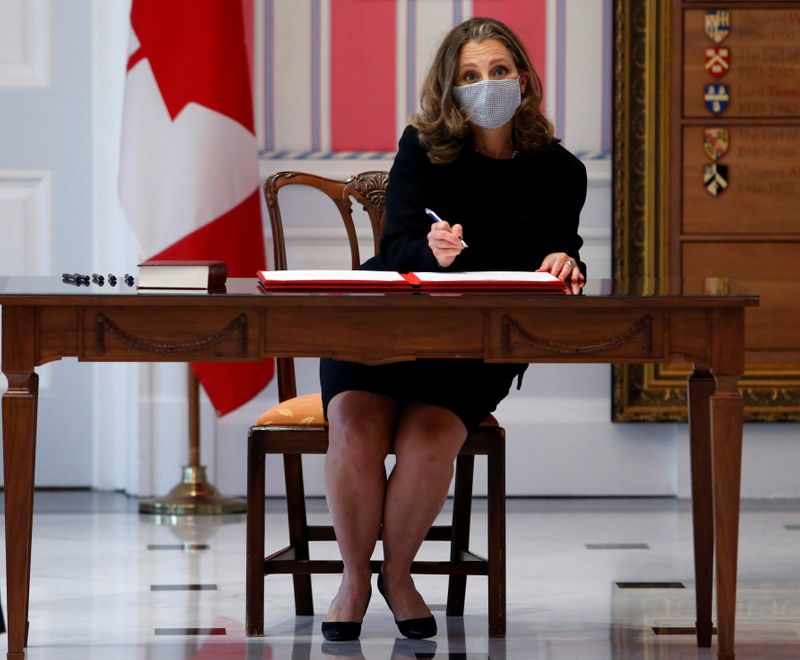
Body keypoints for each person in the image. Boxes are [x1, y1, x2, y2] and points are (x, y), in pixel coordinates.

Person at [319, 16, 587, 642]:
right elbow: (397, 246)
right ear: (450, 87)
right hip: (383, 330)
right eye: (469, 76)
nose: (486, 84)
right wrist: (427, 251)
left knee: (431, 437)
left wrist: (564, 261)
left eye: (497, 71)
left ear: (522, 78)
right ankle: (355, 579)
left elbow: (564, 251)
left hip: (475, 344)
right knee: (356, 426)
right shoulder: (423, 146)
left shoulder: (559, 170)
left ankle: (400, 574)